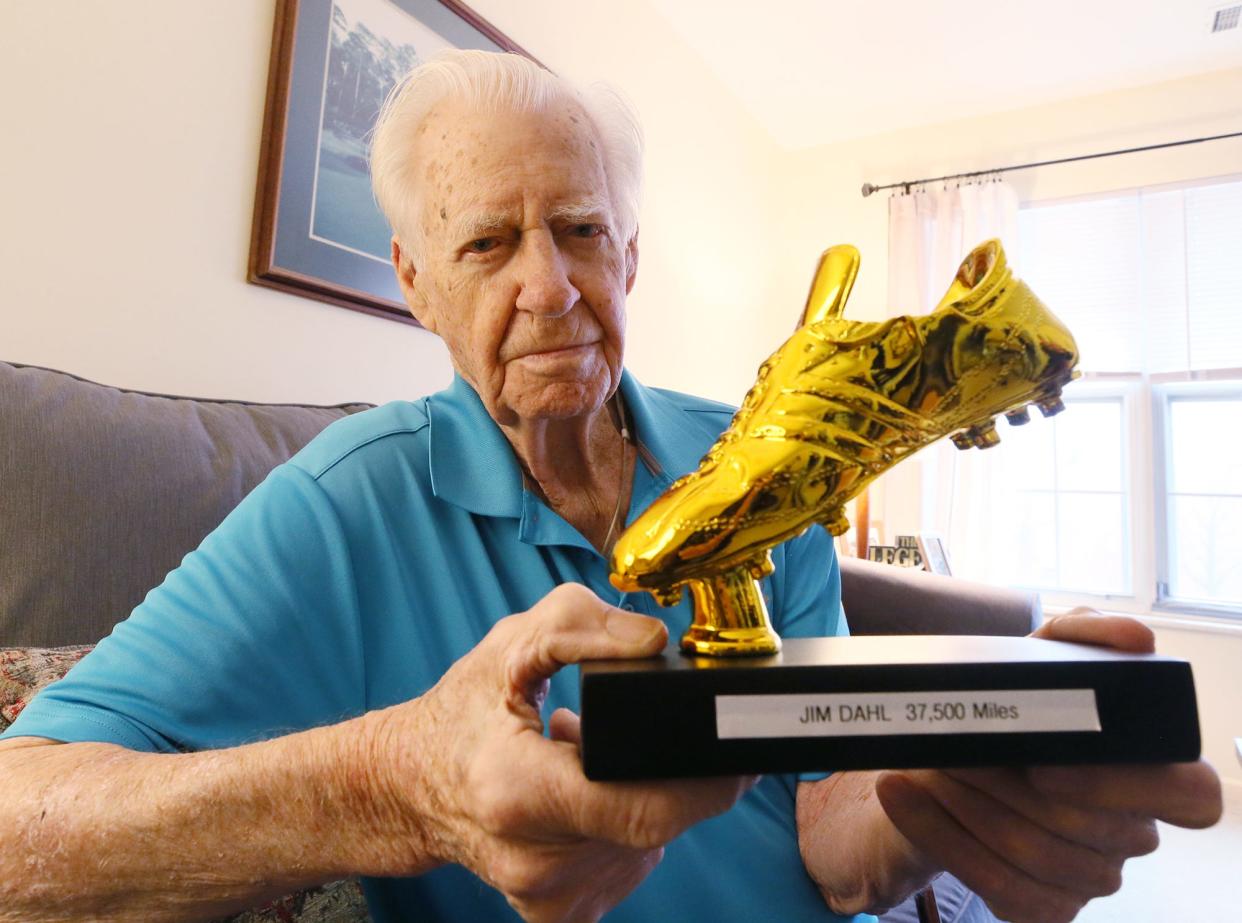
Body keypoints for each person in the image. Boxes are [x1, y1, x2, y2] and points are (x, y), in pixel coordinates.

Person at [0, 50, 1221, 923]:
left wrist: (941, 791)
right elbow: (18, 822)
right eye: (487, 243)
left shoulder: (755, 447)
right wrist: (396, 782)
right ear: (416, 283)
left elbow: (826, 828)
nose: (549, 285)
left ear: (630, 254)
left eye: (582, 231)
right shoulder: (340, 505)